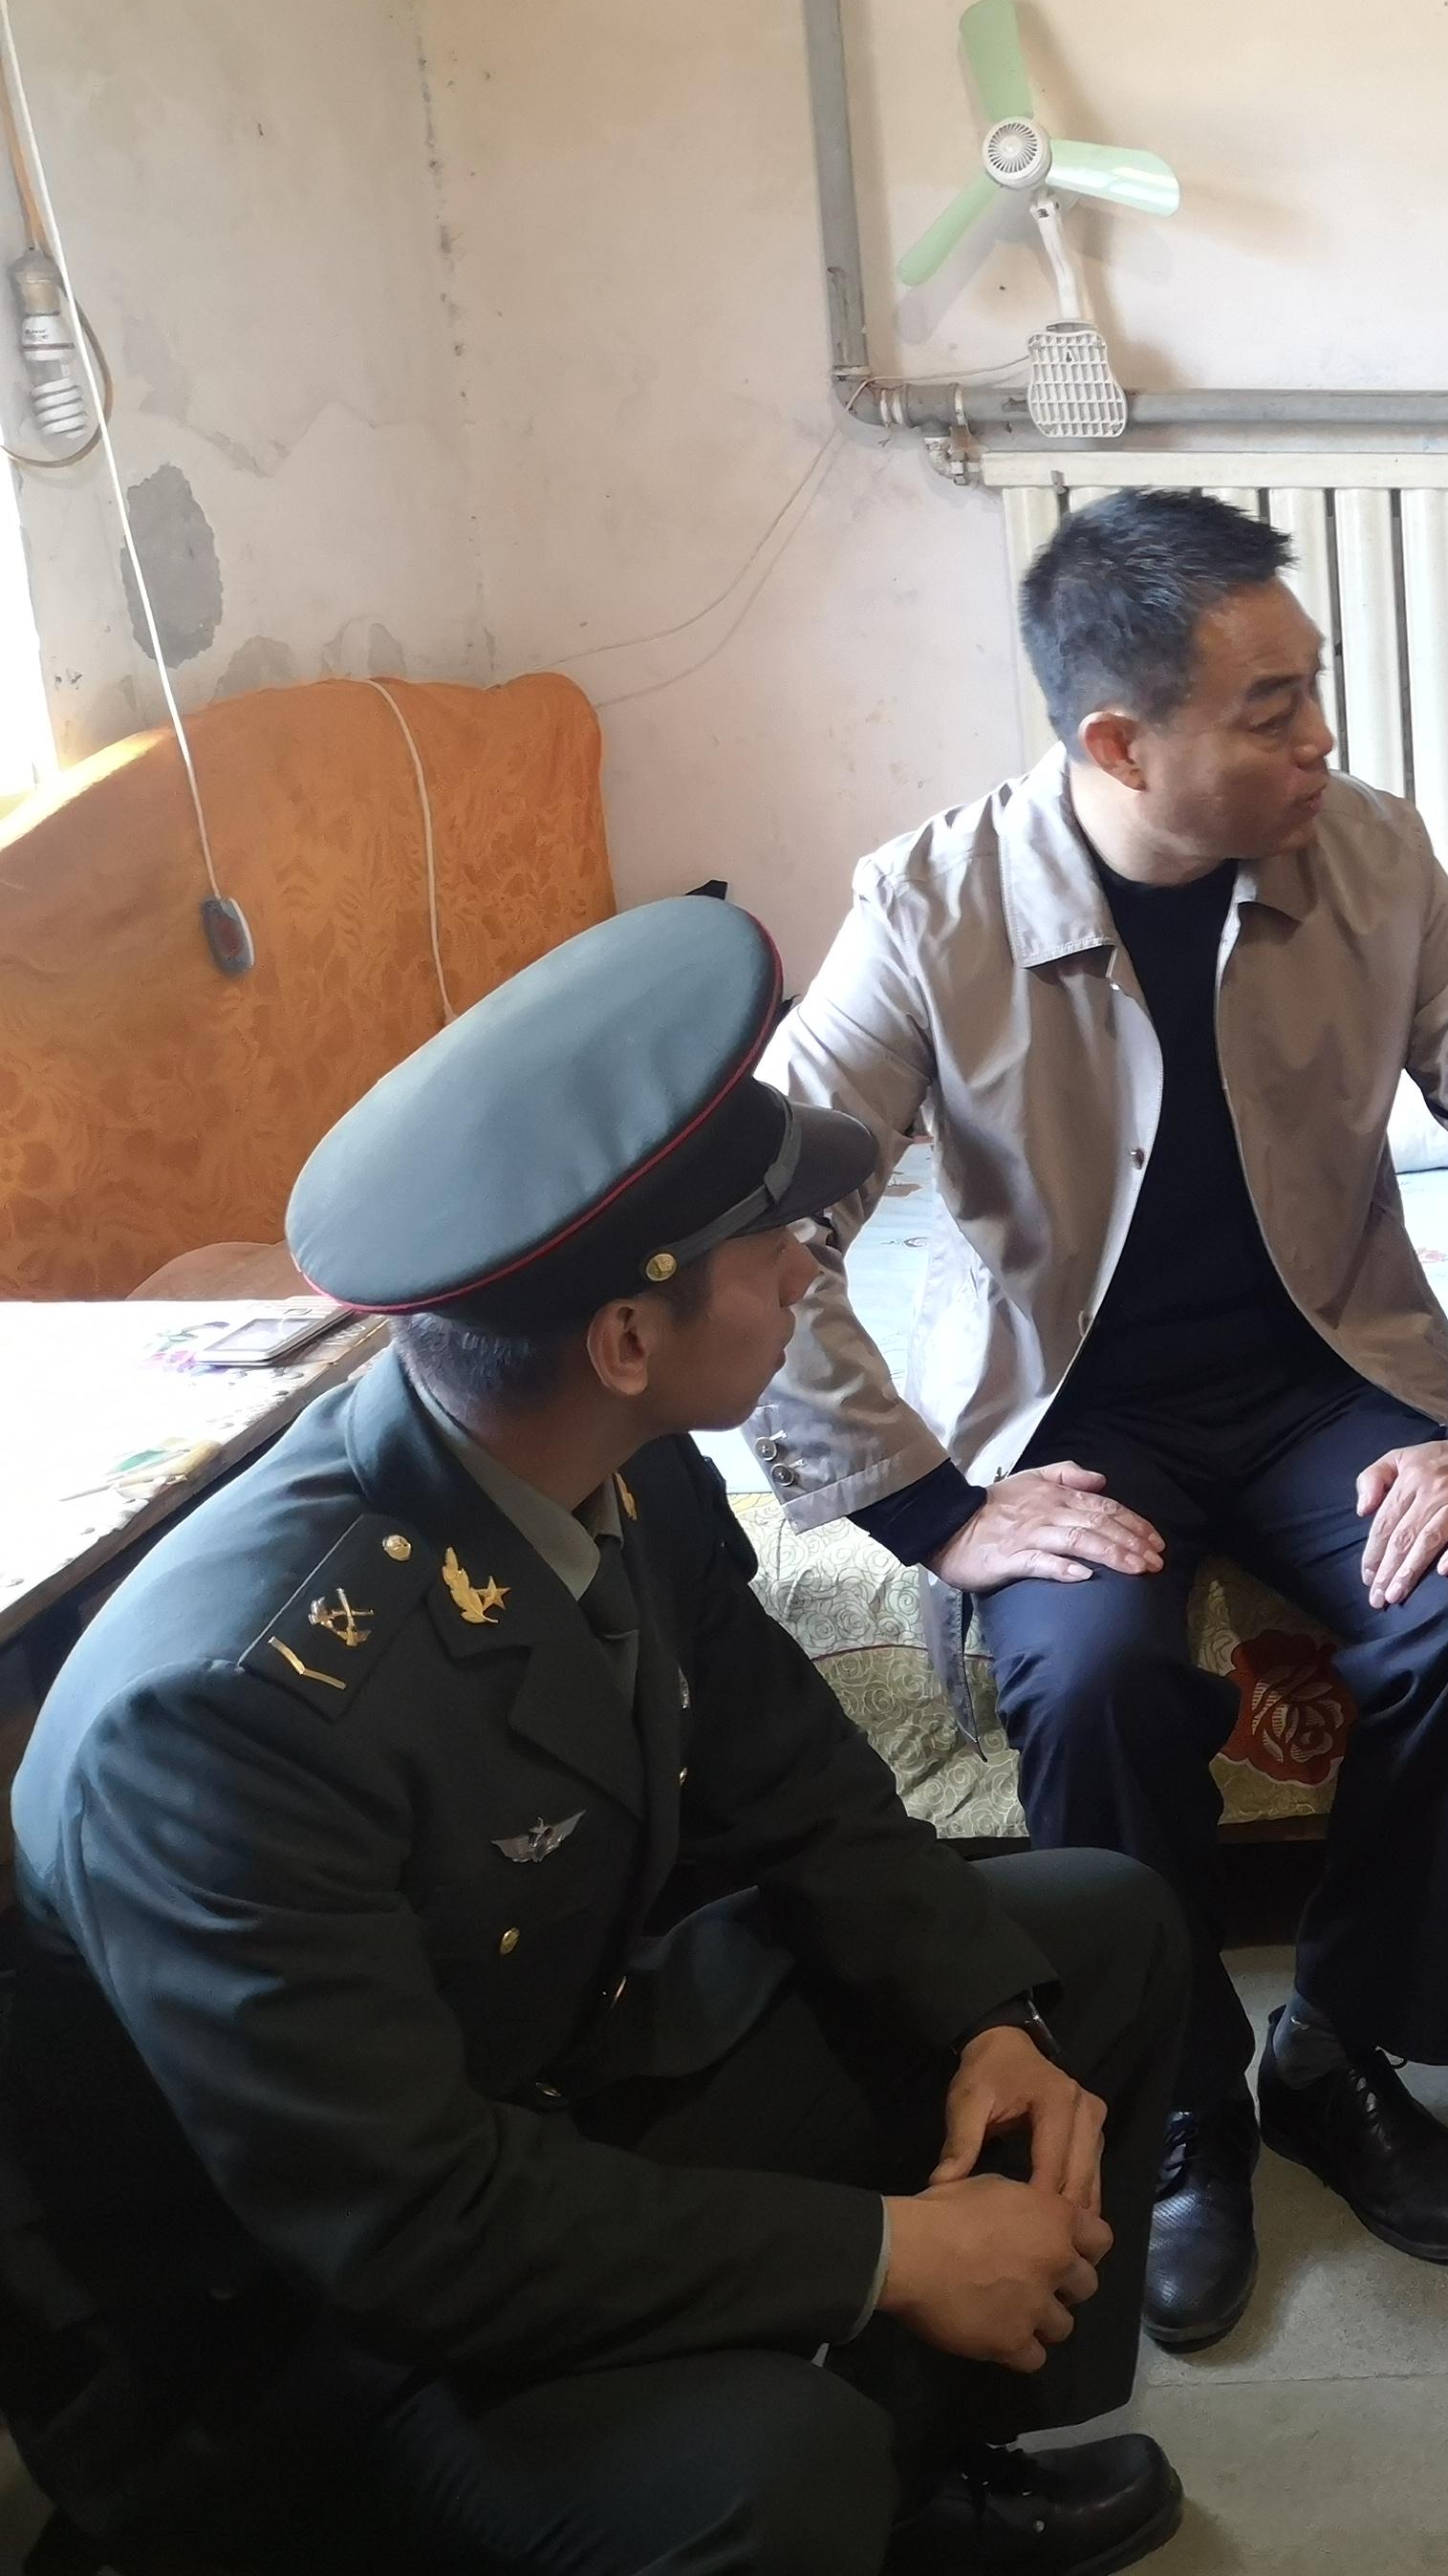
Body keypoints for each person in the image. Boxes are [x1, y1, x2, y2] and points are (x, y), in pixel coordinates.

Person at [0, 896, 1186, 2576]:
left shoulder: (614, 1464)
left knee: (1088, 1943)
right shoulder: (222, 1723)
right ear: (626, 1339)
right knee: (769, 2475)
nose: (811, 1270)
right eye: (774, 1246)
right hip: (297, 2344)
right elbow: (411, 2229)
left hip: (533, 2096)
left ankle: (928, 2482)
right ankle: (843, 2479)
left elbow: (805, 1792)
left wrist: (981, 2014)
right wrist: (888, 2254)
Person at [747, 487, 1448, 2349]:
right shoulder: (929, 907)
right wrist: (930, 1512)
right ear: (1120, 744)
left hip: (1323, 1369)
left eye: (1315, 693)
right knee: (1086, 1677)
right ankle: (1188, 2102)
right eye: (1273, 710)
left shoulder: (1371, 853)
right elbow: (763, 1225)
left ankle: (1341, 2051)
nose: (1322, 743)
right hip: (1072, 1409)